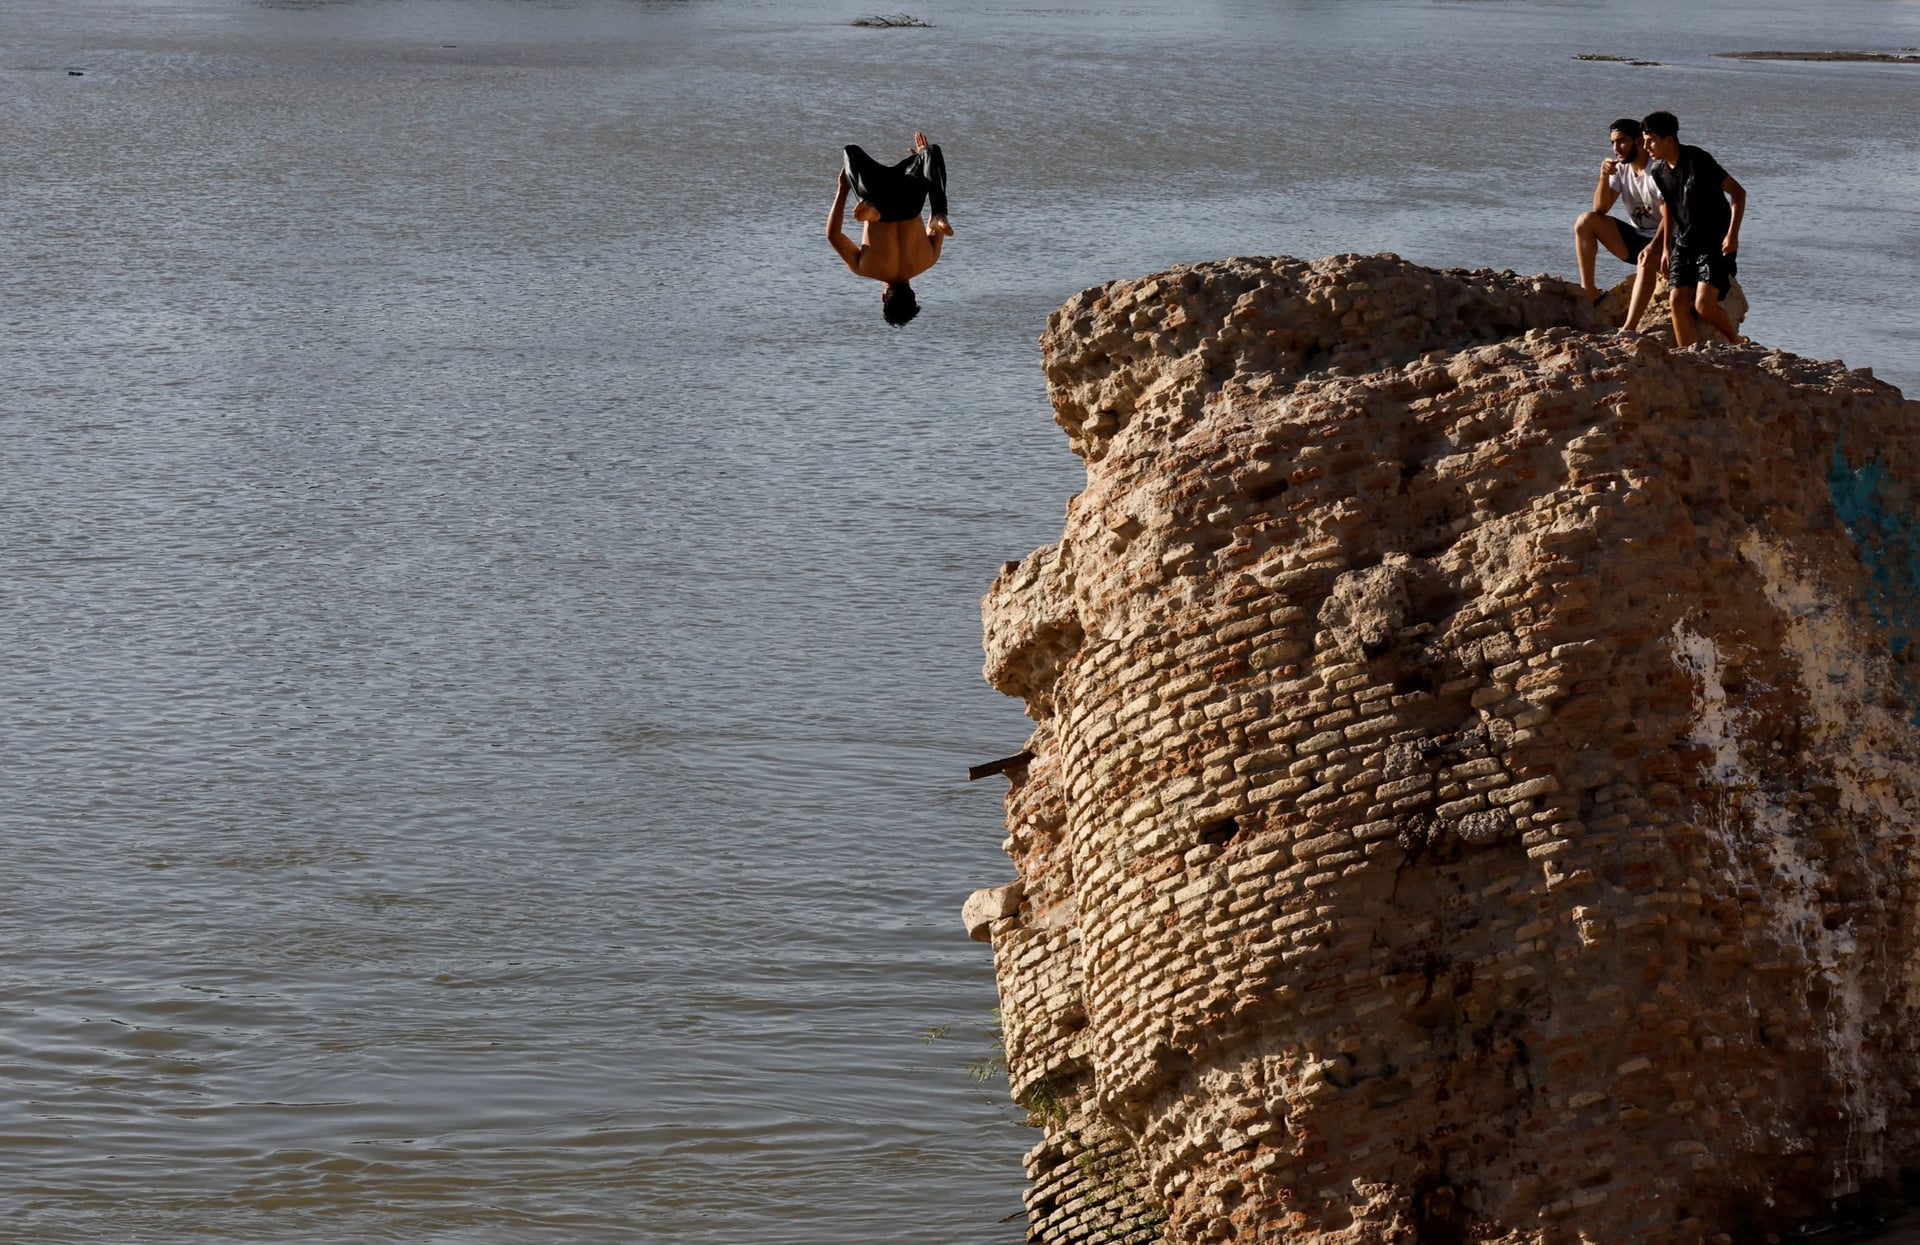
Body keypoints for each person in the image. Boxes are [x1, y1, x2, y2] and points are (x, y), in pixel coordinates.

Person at [1641, 110, 1747, 347]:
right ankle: (1689, 355)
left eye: (1651, 141)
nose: (1646, 147)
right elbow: (1669, 208)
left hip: (1714, 242)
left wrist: (1732, 235)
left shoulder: (1698, 160)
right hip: (1685, 243)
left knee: (1703, 305)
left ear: (1669, 139)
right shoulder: (1658, 172)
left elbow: (1738, 193)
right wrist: (1667, 248)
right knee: (1676, 301)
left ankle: (1736, 341)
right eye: (1645, 141)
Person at [827, 132, 953, 327]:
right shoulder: (864, 268)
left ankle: (938, 213)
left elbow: (932, 185)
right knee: (850, 152)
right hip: (876, 200)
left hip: (910, 202)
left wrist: (921, 161)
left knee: (931, 152)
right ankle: (870, 212)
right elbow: (833, 236)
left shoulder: (929, 259)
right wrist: (843, 189)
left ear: (913, 293)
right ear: (884, 297)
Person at [1572, 117, 1664, 331]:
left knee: (1646, 261)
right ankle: (1590, 291)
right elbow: (1600, 209)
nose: (1616, 148)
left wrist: (1656, 247)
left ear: (1639, 141)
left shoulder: (1657, 170)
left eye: (1621, 141)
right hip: (1638, 238)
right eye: (1612, 143)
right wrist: (1604, 177)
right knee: (1586, 221)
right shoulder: (1622, 169)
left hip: (1667, 240)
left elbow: (1673, 217)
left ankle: (1629, 326)